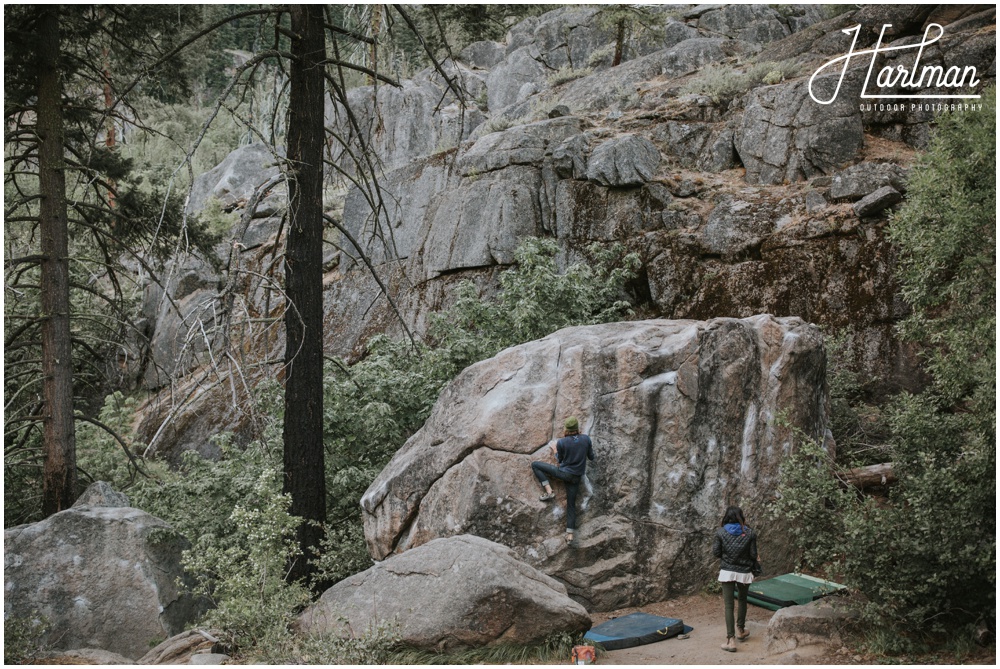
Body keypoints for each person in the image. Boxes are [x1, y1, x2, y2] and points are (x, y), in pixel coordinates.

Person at [530, 416, 595, 544]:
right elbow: (591, 457)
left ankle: (549, 491)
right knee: (571, 506)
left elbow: (560, 460)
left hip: (564, 474)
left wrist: (554, 449)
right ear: (578, 428)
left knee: (535, 465)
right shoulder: (586, 439)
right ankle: (570, 536)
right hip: (576, 478)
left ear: (566, 429)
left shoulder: (562, 442)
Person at [712, 505, 760, 653]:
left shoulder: (720, 532)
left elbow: (716, 552)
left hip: (727, 571)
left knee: (728, 605)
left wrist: (728, 558)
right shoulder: (750, 533)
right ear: (741, 517)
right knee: (743, 600)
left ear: (726, 517)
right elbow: (753, 555)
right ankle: (741, 630)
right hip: (744, 572)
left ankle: (730, 640)